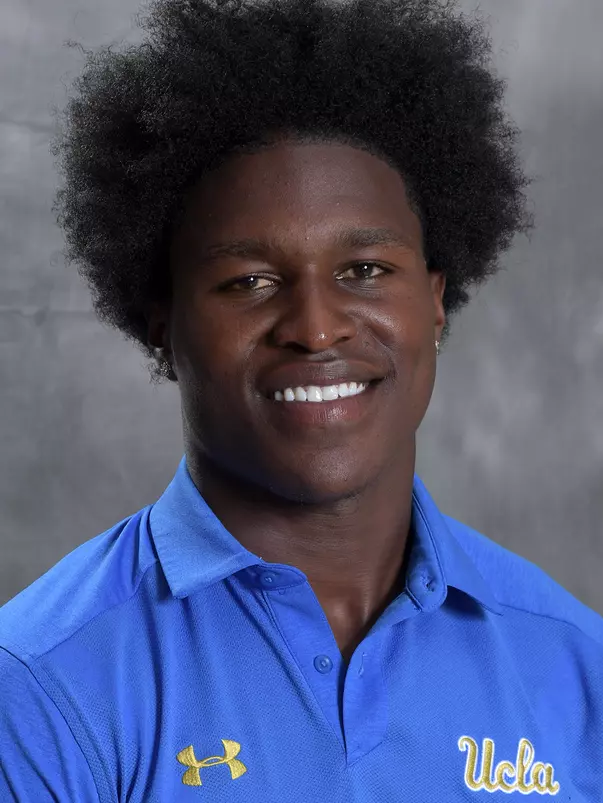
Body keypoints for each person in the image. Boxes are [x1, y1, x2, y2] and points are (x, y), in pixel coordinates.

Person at [1, 0, 601, 799]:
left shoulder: (574, 661)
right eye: (248, 282)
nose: (316, 329)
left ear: (433, 300)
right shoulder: (39, 687)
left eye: (364, 270)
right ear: (161, 328)